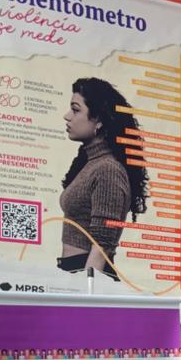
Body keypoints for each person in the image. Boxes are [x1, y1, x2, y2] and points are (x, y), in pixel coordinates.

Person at [58, 78, 147, 278]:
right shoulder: (90, 164)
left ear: (98, 120)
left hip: (89, 275)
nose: (67, 116)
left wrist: (86, 295)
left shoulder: (107, 170)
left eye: (75, 109)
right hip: (76, 273)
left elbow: (102, 247)